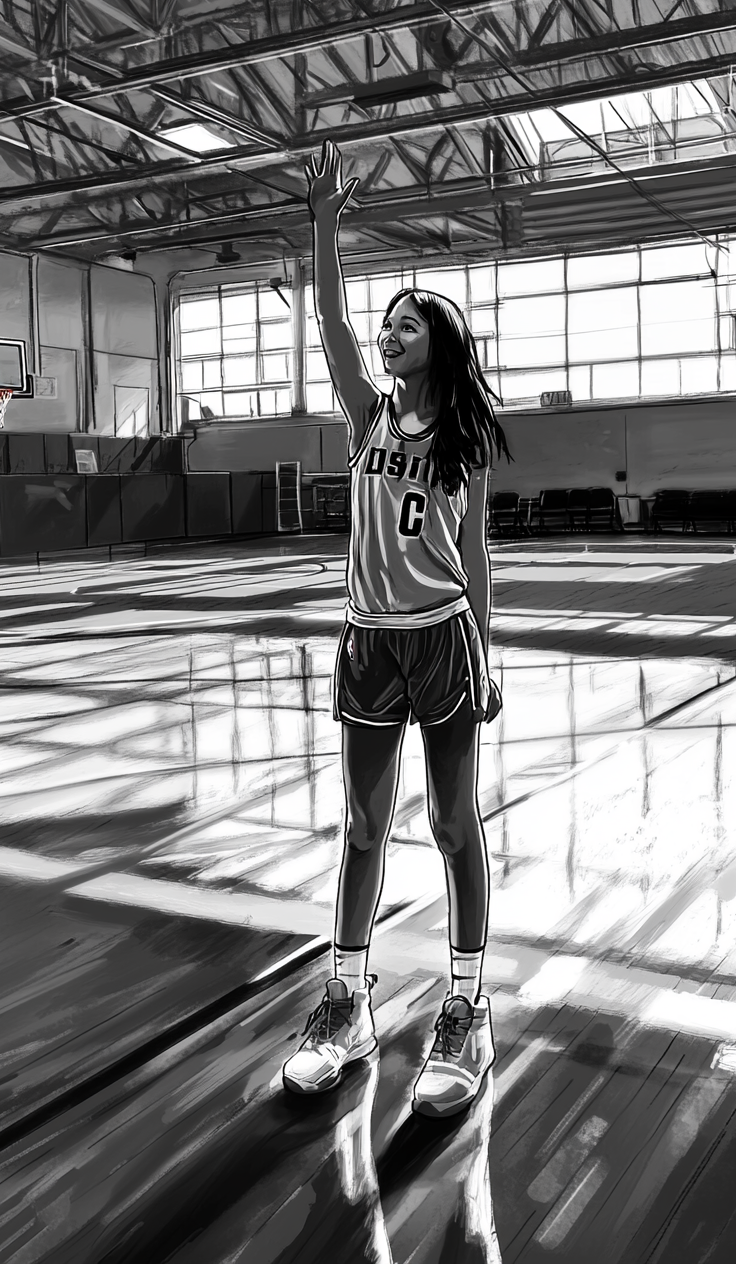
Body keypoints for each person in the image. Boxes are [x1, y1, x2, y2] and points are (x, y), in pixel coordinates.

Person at [282, 140, 510, 1118]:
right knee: (364, 824)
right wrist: (327, 219)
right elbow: (329, 316)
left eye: (405, 325)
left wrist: (489, 659)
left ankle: (466, 1003)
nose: (386, 334)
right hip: (368, 639)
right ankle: (347, 998)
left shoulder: (459, 439)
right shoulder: (365, 419)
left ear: (440, 342)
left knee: (452, 823)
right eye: (387, 325)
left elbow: (479, 557)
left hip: (441, 637)